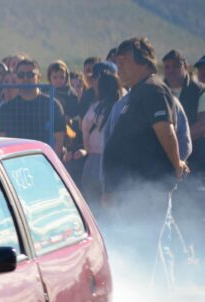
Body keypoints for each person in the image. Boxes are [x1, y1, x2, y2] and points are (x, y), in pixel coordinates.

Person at [103, 37, 189, 256]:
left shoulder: (153, 90)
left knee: (143, 251)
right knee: (143, 251)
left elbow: (166, 131)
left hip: (146, 190)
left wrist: (177, 165)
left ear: (142, 61)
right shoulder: (137, 93)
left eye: (123, 61)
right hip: (130, 191)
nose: (118, 68)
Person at [0, 59, 65, 156]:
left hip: (44, 162)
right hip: (14, 162)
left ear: (39, 77)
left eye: (30, 74)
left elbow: (59, 141)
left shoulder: (53, 105)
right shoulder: (6, 109)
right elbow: (0, 143)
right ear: (17, 78)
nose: (25, 78)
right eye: (21, 75)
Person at [79, 71, 122, 212]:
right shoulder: (122, 109)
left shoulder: (94, 109)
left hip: (93, 162)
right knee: (112, 210)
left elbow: (84, 130)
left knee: (92, 208)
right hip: (114, 164)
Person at [163, 50, 205, 177]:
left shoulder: (199, 91)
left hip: (195, 161)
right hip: (164, 161)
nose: (171, 70)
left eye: (176, 66)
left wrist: (173, 141)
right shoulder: (158, 91)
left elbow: (202, 125)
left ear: (185, 67)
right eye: (167, 67)